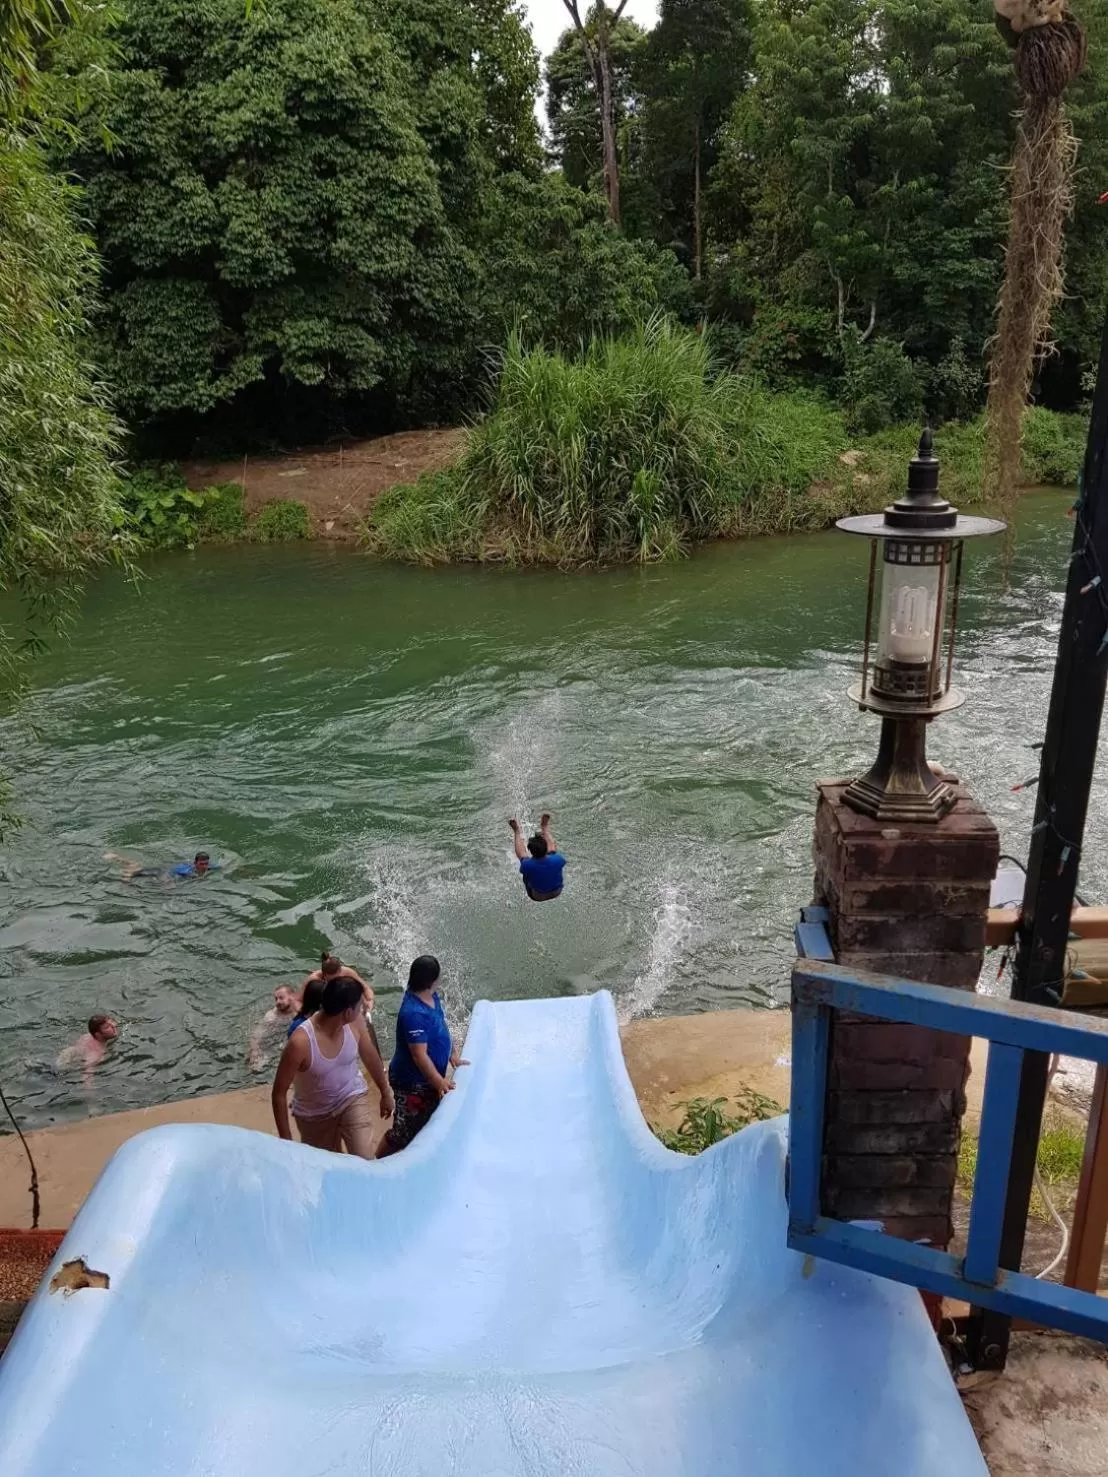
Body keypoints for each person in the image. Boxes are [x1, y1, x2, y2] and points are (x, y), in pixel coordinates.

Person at [271, 975, 393, 1157]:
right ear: (347, 1012)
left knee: (364, 1161)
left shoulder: (356, 1022)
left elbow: (370, 1057)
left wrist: (385, 1092)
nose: (363, 1009)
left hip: (351, 1098)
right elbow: (279, 1093)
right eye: (359, 1005)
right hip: (314, 1115)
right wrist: (286, 1141)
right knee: (327, 1167)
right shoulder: (301, 1042)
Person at [377, 955, 467, 1158]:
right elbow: (419, 1056)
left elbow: (441, 1024)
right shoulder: (414, 1013)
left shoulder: (432, 996)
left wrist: (452, 1053)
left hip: (426, 1080)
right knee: (404, 1132)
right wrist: (439, 1082)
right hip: (411, 1082)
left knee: (426, 1124)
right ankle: (377, 1162)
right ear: (432, 980)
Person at [300, 952, 378, 1051]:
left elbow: (366, 988)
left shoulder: (347, 972)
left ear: (340, 971)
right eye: (332, 981)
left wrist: (370, 1001)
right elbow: (300, 1001)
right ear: (324, 976)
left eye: (338, 978)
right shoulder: (314, 980)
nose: (336, 983)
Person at [509, 813, 566, 902]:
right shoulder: (558, 859)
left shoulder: (527, 865)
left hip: (537, 896)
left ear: (531, 852)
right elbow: (553, 851)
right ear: (545, 848)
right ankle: (544, 827)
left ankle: (516, 831)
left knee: (523, 858)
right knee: (553, 852)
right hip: (557, 892)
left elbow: (521, 853)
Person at [247, 986, 301, 1071]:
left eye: (281, 998)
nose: (277, 1002)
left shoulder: (299, 1010)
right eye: (276, 999)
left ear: (292, 997)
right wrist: (255, 1050)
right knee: (255, 1068)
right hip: (271, 1043)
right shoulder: (272, 1016)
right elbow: (256, 1034)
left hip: (288, 1039)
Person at [57, 1015, 118, 1081]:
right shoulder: (96, 1052)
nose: (113, 1026)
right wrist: (89, 1090)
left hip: (70, 1052)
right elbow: (87, 1072)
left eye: (111, 1023)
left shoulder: (87, 1036)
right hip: (66, 1070)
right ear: (98, 1034)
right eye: (107, 1027)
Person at [105, 850, 220, 881]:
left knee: (134, 869)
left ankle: (117, 857)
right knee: (133, 872)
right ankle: (116, 857)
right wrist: (166, 882)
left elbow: (223, 867)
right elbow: (168, 872)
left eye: (206, 863)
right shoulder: (186, 871)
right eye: (202, 864)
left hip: (168, 870)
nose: (204, 866)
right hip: (162, 871)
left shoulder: (210, 866)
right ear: (195, 863)